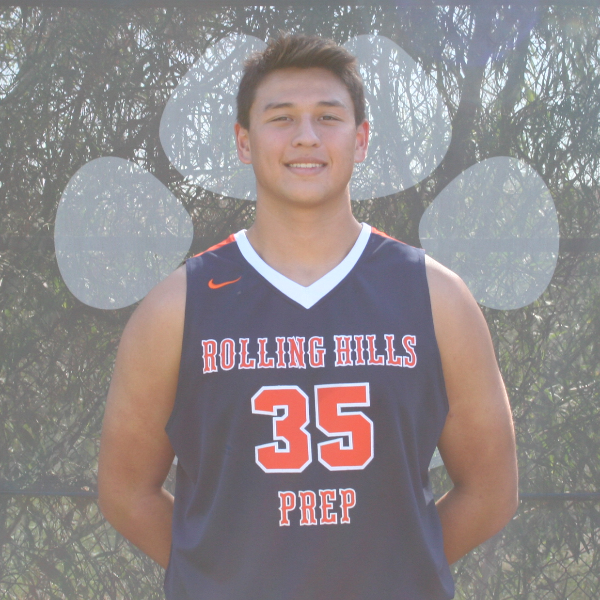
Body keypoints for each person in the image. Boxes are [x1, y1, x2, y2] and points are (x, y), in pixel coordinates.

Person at [98, 32, 518, 599]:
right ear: (244, 141)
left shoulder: (435, 297)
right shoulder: (179, 307)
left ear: (360, 139)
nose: (305, 136)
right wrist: (219, 581)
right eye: (281, 118)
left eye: (328, 117)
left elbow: (491, 491)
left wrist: (393, 579)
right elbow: (125, 492)